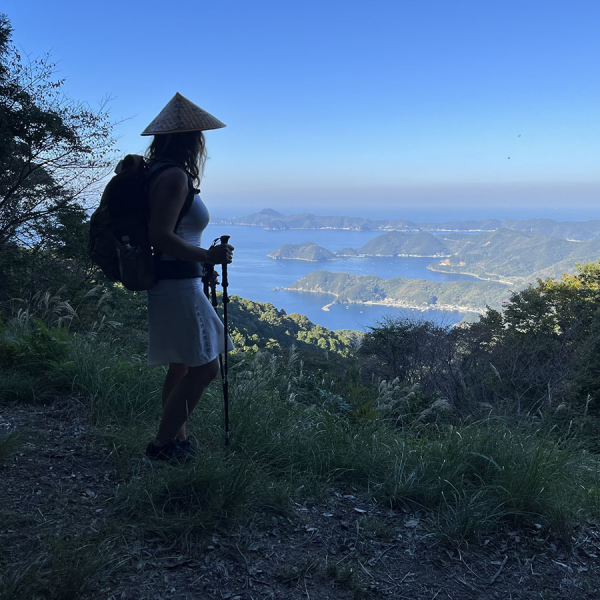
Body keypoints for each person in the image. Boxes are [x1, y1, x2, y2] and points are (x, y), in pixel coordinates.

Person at [140, 93, 234, 464]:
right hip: (178, 285)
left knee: (181, 364)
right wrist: (208, 256)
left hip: (174, 281)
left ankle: (176, 439)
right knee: (207, 367)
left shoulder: (156, 173)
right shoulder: (175, 176)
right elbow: (160, 236)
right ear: (193, 140)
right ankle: (162, 446)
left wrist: (201, 260)